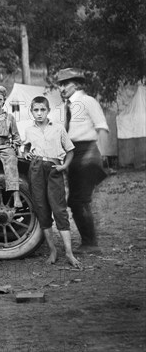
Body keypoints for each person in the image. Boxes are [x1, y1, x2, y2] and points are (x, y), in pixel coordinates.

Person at [24, 96, 81, 267]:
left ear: (48, 111)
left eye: (42, 110)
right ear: (32, 112)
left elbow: (70, 150)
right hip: (36, 169)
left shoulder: (58, 128)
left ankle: (69, 253)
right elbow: (26, 148)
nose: (39, 113)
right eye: (36, 110)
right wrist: (26, 153)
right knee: (41, 209)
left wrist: (64, 167)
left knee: (59, 209)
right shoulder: (29, 130)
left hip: (54, 168)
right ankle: (53, 251)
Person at [56, 68, 109, 254]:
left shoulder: (87, 101)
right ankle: (89, 242)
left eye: (65, 84)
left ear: (76, 84)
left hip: (87, 151)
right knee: (76, 200)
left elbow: (102, 127)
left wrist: (98, 155)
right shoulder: (67, 106)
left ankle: (91, 244)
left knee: (80, 200)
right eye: (59, 84)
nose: (61, 88)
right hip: (74, 154)